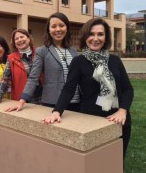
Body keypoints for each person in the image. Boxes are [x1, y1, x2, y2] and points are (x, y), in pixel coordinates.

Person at [44, 18, 134, 159]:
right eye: (91, 34)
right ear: (85, 37)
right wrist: (57, 111)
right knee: (95, 162)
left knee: (116, 162)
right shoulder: (78, 62)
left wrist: (123, 111)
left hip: (119, 119)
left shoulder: (115, 60)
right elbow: (68, 89)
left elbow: (128, 89)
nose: (95, 39)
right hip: (91, 119)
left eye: (100, 34)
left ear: (106, 37)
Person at [5, 12, 81, 112]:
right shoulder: (42, 51)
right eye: (53, 26)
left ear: (66, 28)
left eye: (61, 25)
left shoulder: (73, 51)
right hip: (53, 102)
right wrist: (21, 101)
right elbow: (33, 77)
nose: (58, 29)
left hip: (75, 101)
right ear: (49, 30)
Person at [0, 29, 39, 104]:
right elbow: (5, 80)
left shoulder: (39, 54)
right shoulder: (11, 58)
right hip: (21, 100)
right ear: (14, 43)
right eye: (16, 39)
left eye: (22, 37)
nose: (19, 40)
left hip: (40, 98)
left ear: (28, 38)